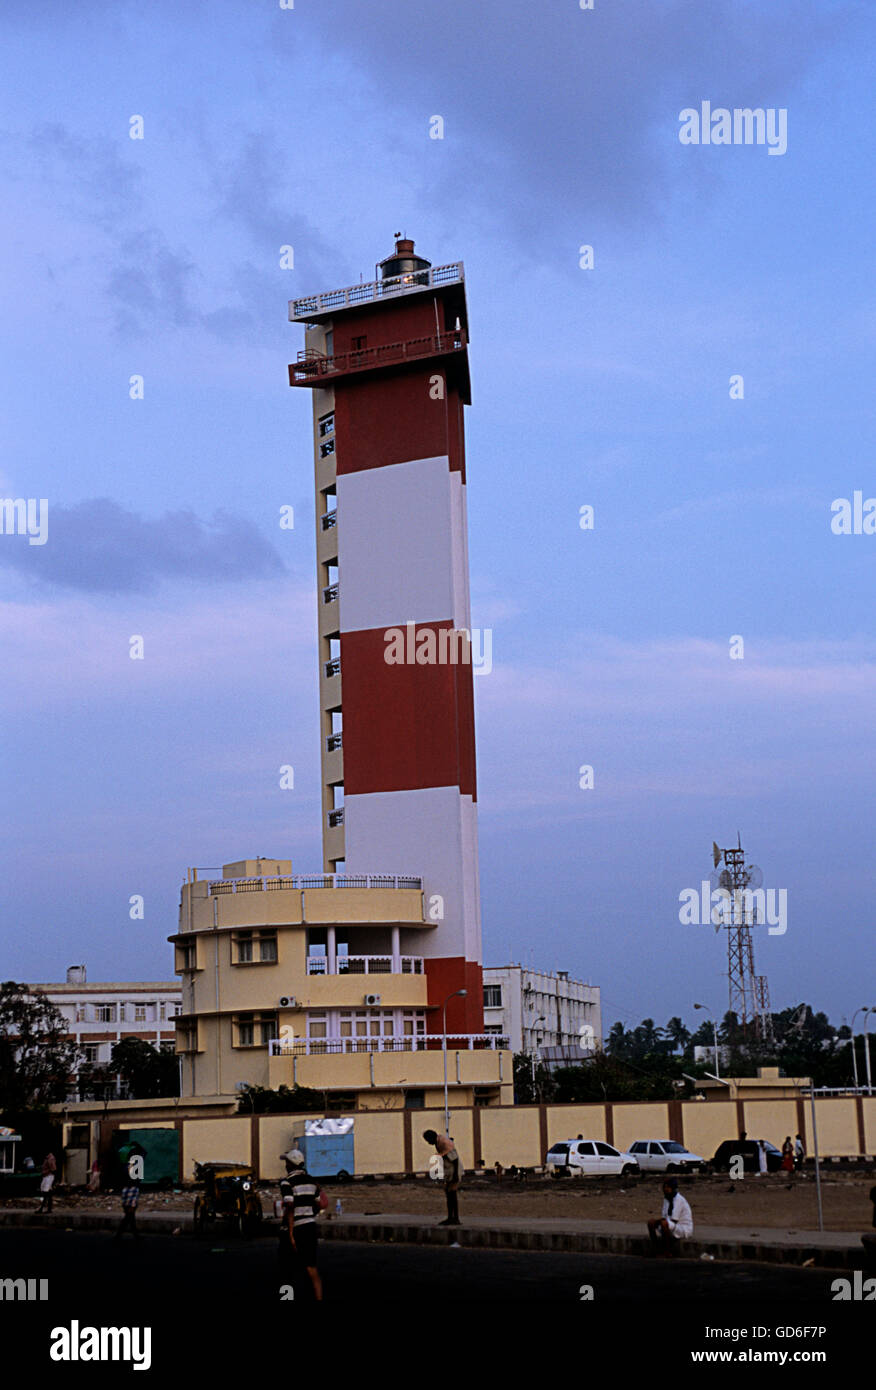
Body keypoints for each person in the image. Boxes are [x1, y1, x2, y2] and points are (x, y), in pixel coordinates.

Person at [278, 1149, 323, 1301]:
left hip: (295, 1227)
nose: (285, 1165)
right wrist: (309, 1214)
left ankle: (287, 1298)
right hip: (310, 1226)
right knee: (311, 1267)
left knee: (286, 1269)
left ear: (291, 1165)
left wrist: (290, 1233)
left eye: (287, 1162)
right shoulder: (312, 1181)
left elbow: (290, 1206)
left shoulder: (286, 1182)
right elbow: (319, 1204)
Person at [423, 1129, 462, 1226]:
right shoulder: (438, 1141)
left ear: (432, 1138)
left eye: (428, 1141)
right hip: (449, 1170)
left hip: (454, 1170)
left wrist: (455, 1176)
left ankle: (455, 1218)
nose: (428, 1143)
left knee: (452, 1194)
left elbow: (455, 1159)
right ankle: (450, 1218)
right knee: (449, 1195)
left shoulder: (444, 1142)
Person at [647, 1177, 693, 1255]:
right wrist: (656, 1222)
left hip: (682, 1227)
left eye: (668, 1187)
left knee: (664, 1224)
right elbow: (664, 1216)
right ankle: (655, 1248)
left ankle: (667, 1251)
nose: (665, 1189)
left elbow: (674, 1219)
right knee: (651, 1222)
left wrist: (660, 1222)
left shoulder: (679, 1200)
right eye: (664, 1187)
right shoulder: (666, 1199)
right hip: (672, 1224)